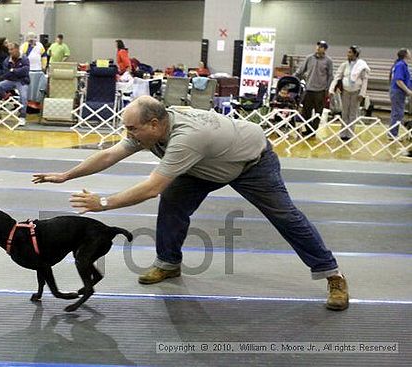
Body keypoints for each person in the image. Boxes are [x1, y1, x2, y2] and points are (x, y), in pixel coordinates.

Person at [32, 96, 350, 312]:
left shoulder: (185, 138)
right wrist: (65, 175)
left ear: (154, 125)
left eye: (132, 129)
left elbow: (152, 187)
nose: (127, 134)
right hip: (204, 166)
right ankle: (168, 263)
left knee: (286, 217)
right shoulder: (153, 126)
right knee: (174, 202)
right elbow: (109, 154)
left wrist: (103, 203)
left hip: (251, 162)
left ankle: (331, 274)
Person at [329, 45, 370, 140]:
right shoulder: (344, 65)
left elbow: (365, 80)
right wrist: (331, 89)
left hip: (356, 92)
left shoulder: (362, 66)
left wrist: (362, 94)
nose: (348, 54)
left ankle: (350, 134)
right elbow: (337, 77)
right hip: (345, 91)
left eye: (350, 52)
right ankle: (343, 133)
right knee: (344, 112)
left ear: (355, 54)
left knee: (353, 113)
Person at [294, 41, 333, 136]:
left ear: (325, 49)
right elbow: (301, 70)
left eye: (321, 46)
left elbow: (330, 76)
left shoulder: (328, 61)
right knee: (305, 112)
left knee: (318, 113)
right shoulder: (309, 58)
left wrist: (327, 89)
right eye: (318, 46)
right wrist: (292, 78)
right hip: (308, 89)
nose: (318, 48)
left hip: (320, 91)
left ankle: (313, 131)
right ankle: (309, 129)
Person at [0, 42, 30, 126]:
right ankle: (7, 97)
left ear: (17, 49)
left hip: (22, 81)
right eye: (9, 50)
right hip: (11, 80)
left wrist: (13, 70)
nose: (10, 51)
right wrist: (17, 71)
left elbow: (25, 71)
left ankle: (22, 116)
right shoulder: (7, 60)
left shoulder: (25, 58)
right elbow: (6, 73)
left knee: (24, 97)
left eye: (11, 49)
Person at [388, 48, 412, 139]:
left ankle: (393, 133)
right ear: (405, 55)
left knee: (398, 112)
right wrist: (408, 91)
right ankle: (393, 134)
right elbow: (398, 80)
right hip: (398, 92)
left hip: (399, 92)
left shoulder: (403, 65)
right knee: (398, 113)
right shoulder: (401, 65)